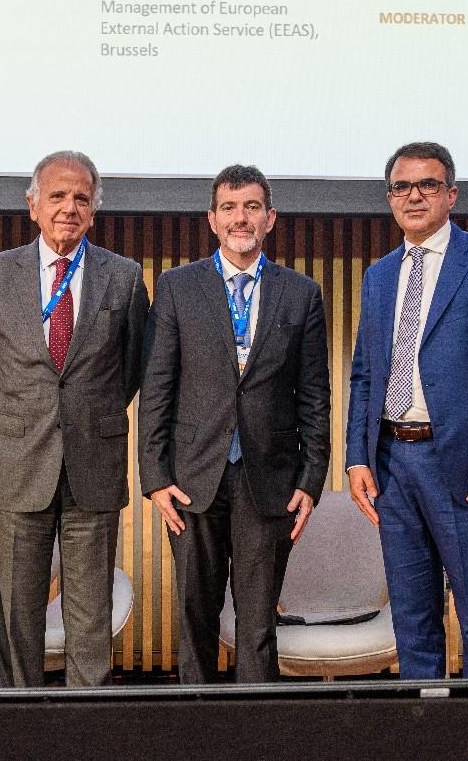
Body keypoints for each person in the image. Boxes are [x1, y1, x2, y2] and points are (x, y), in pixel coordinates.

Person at [345, 142, 468, 679]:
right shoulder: (379, 276)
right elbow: (365, 374)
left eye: (427, 185)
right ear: (390, 199)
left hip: (464, 466)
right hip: (391, 464)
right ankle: (425, 725)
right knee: (412, 620)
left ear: (450, 195)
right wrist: (357, 457)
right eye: (401, 187)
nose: (414, 196)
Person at [139, 164, 330, 683]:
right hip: (191, 479)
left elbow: (315, 396)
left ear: (270, 218)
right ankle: (196, 723)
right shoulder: (177, 287)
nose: (240, 218)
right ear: (212, 219)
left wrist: (311, 479)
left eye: (251, 207)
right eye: (229, 207)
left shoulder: (301, 293)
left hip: (270, 479)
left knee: (259, 623)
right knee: (194, 616)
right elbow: (157, 388)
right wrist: (155, 477)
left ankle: (257, 724)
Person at [0, 150, 148, 687]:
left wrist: (84, 415)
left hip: (94, 466)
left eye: (81, 198)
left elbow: (132, 369)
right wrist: (32, 414)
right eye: (58, 196)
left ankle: (84, 725)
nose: (69, 207)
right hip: (18, 464)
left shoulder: (125, 278)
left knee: (90, 620)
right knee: (17, 615)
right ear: (33, 205)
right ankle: (20, 722)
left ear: (93, 211)